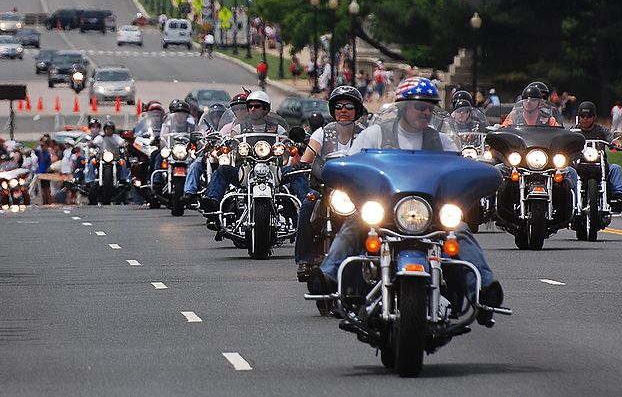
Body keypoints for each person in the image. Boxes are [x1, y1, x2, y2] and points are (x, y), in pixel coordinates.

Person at [310, 77, 503, 325]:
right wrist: (338, 169)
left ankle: (485, 290)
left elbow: (460, 166)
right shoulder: (374, 134)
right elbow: (351, 165)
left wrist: (479, 172)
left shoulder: (442, 141)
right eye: (418, 106)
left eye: (429, 106)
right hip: (385, 211)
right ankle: (327, 277)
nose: (424, 111)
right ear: (402, 107)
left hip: (430, 214)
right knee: (353, 225)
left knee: (460, 231)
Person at [293, 86, 365, 281]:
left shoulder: (365, 135)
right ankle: (305, 259)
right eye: (339, 106)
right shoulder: (322, 133)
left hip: (355, 190)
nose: (344, 110)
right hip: (325, 188)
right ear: (333, 110)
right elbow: (307, 159)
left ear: (357, 110)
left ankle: (368, 257)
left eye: (349, 106)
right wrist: (299, 165)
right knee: (307, 205)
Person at [203, 91, 286, 213]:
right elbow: (232, 140)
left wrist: (290, 144)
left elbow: (286, 140)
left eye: (257, 106)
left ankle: (305, 204)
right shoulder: (239, 128)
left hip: (273, 170)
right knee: (223, 170)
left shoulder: (277, 128)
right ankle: (212, 201)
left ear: (266, 108)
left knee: (295, 172)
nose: (252, 109)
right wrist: (226, 144)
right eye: (250, 106)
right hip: (245, 170)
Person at [575, 101, 622, 209]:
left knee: (616, 168)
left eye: (588, 116)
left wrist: (615, 144)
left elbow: (610, 138)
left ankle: (619, 197)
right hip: (579, 166)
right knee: (565, 172)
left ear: (594, 117)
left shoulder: (601, 130)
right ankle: (566, 199)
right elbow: (565, 142)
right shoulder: (573, 131)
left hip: (599, 165)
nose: (585, 119)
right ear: (579, 116)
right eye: (582, 116)